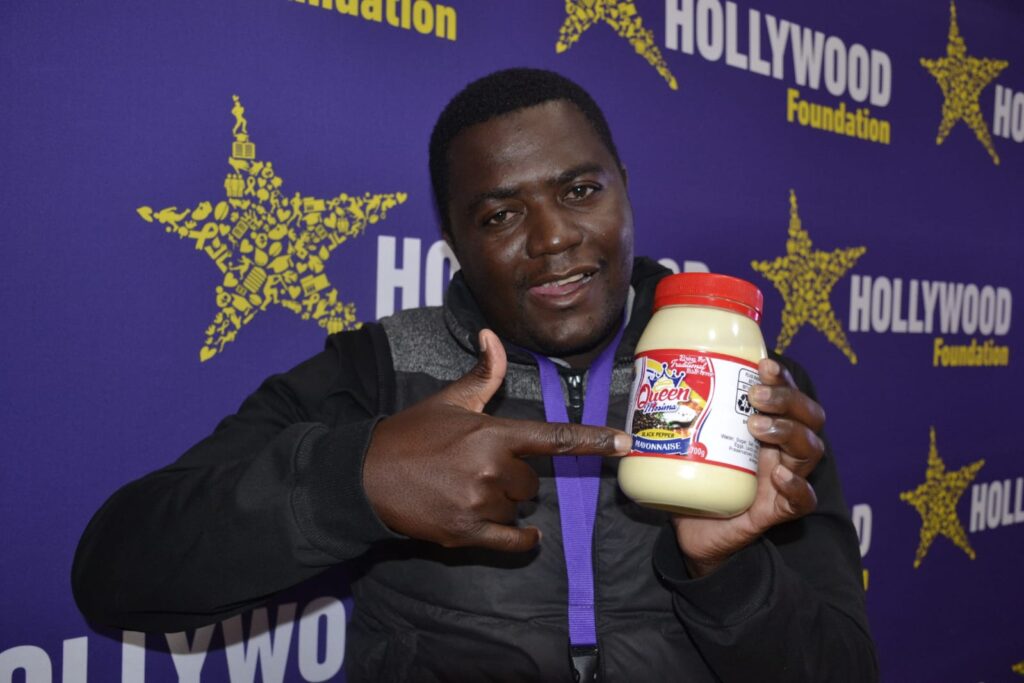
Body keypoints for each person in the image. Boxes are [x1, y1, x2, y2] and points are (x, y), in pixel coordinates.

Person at [73, 68, 877, 681]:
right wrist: (357, 481)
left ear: (625, 190)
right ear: (454, 243)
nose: (553, 237)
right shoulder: (379, 370)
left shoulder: (747, 383)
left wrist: (725, 570)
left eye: (581, 190)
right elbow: (115, 572)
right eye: (500, 215)